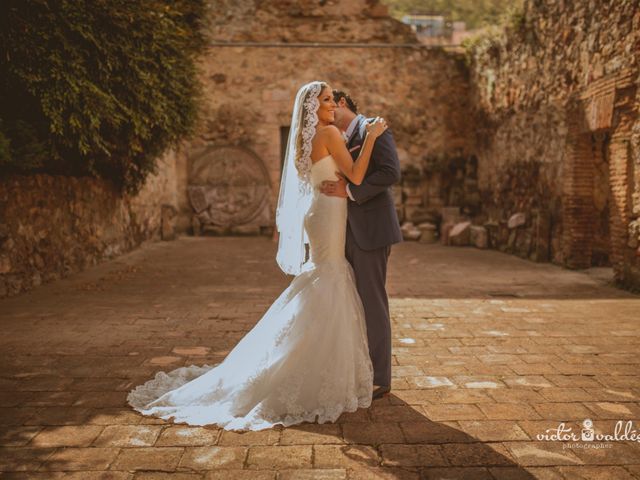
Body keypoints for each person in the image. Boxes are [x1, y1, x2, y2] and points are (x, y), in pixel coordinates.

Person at [127, 81, 388, 431]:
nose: (332, 105)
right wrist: (372, 136)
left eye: (331, 101)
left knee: (324, 276)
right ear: (312, 108)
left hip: (319, 211)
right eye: (326, 101)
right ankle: (305, 363)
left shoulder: (304, 139)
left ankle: (307, 357)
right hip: (329, 212)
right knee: (330, 277)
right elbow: (355, 175)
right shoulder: (328, 134)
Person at [319, 90, 403, 400]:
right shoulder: (338, 136)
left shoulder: (374, 128)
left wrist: (351, 193)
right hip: (343, 232)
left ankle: (380, 377)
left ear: (342, 103)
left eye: (329, 103)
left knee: (372, 302)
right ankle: (356, 367)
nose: (326, 110)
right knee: (349, 302)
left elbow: (390, 172)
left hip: (371, 230)